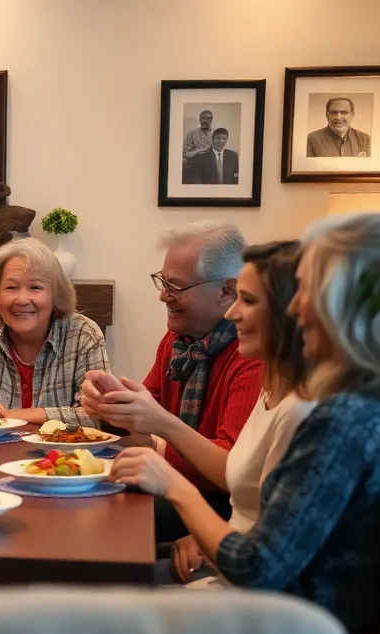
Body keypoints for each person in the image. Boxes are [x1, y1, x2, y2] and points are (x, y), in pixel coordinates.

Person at [110, 212, 380, 634]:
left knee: (91, 611)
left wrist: (175, 488)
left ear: (347, 304)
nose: (292, 306)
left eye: (306, 290)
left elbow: (255, 567)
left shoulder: (343, 423)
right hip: (317, 632)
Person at [107, 241, 315, 586]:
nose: (233, 313)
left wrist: (175, 483)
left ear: (292, 312)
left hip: (244, 584)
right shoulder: (267, 387)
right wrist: (113, 408)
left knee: (104, 565)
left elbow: (265, 560)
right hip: (227, 541)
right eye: (163, 282)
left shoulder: (299, 408)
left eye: (247, 301)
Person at [81, 221, 262, 542]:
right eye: (162, 281)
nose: (163, 295)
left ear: (226, 291)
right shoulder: (178, 341)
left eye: (176, 286)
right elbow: (145, 418)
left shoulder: (251, 355)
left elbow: (232, 472)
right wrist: (109, 405)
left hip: (221, 503)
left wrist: (157, 432)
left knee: (105, 513)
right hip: (175, 482)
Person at [0, 237, 108, 426]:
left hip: (60, 455)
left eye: (35, 287)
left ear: (55, 295)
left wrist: (25, 415)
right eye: (11, 287)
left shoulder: (83, 334)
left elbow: (100, 415)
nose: (22, 299)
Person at [306, 97, 372, 157]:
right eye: (334, 112)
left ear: (352, 115)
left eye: (344, 112)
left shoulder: (364, 139)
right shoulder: (312, 139)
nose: (338, 117)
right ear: (327, 115)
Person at [182, 109, 214, 180]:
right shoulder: (191, 134)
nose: (205, 120)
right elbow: (185, 154)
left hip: (211, 168)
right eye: (203, 118)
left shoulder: (215, 134)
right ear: (200, 119)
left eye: (208, 118)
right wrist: (199, 151)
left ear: (211, 120)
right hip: (194, 167)